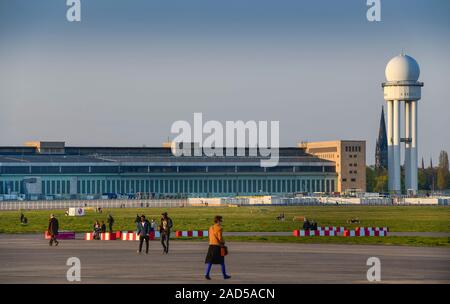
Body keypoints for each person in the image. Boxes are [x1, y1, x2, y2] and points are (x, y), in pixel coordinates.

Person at [204, 215, 231, 280]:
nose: (221, 222)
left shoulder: (211, 227)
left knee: (210, 261)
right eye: (221, 220)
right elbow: (220, 238)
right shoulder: (219, 228)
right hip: (217, 246)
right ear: (218, 221)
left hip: (211, 246)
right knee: (222, 262)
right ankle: (224, 275)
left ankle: (207, 274)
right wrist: (223, 242)